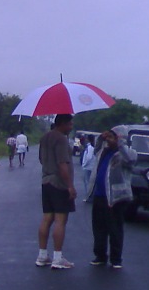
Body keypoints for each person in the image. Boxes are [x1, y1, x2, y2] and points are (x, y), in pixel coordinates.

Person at [86, 126, 137, 269]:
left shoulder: (125, 154)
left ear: (120, 138)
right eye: (108, 137)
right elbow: (95, 150)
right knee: (99, 228)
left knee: (115, 228)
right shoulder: (104, 151)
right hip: (100, 196)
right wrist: (101, 138)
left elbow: (131, 160)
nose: (108, 140)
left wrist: (120, 142)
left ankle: (116, 259)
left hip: (116, 198)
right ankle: (100, 256)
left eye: (111, 137)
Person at [36, 114, 77, 269]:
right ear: (62, 124)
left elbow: (41, 159)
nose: (71, 127)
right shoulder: (61, 139)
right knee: (60, 220)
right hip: (59, 183)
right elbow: (62, 164)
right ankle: (58, 258)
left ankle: (42, 255)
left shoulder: (45, 138)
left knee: (47, 218)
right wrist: (70, 186)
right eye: (70, 124)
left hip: (46, 181)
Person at [81, 134, 96, 200]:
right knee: (90, 182)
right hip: (91, 166)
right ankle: (90, 196)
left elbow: (88, 157)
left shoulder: (90, 147)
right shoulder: (92, 147)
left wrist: (84, 164)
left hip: (87, 167)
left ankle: (88, 197)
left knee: (87, 182)